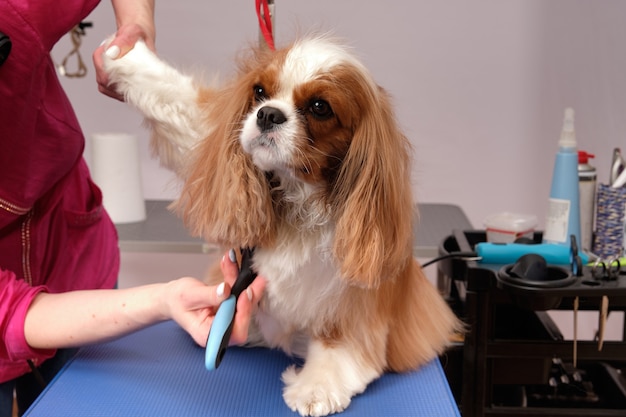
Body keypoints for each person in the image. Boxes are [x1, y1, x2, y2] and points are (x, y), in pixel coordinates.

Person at [0, 1, 265, 416]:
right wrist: (163, 300)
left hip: (74, 256)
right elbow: (9, 314)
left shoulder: (16, 14)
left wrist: (136, 25)